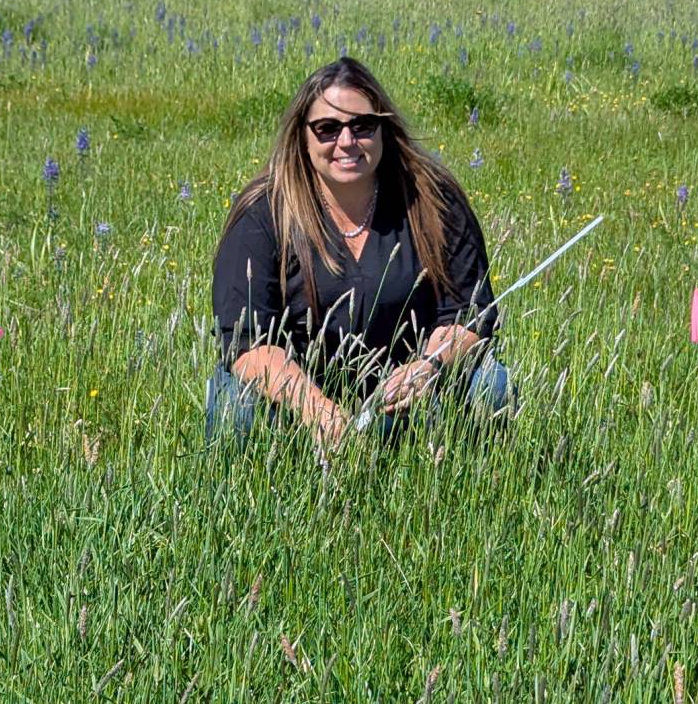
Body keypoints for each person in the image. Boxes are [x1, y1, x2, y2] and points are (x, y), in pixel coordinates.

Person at [208, 56, 511, 452]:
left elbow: (470, 313)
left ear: (383, 128)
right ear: (303, 137)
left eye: (362, 126)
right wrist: (314, 407)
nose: (346, 142)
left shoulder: (433, 199)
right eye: (327, 129)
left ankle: (458, 482)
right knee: (239, 407)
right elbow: (246, 342)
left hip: (407, 395)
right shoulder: (264, 212)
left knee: (491, 384)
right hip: (296, 397)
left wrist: (430, 366)